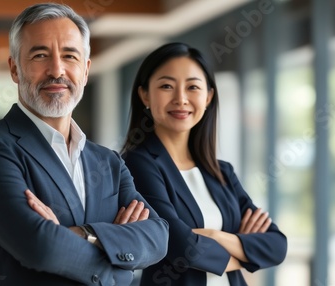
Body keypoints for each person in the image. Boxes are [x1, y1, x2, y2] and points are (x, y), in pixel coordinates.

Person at [0, 3, 169, 285]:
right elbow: (41, 248)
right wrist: (118, 263)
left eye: (69, 56)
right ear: (15, 69)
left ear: (85, 70)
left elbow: (158, 237)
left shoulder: (108, 162)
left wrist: (80, 233)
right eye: (40, 55)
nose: (56, 70)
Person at [121, 42, 287, 286]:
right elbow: (178, 246)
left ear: (208, 96)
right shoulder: (136, 164)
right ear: (144, 94)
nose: (181, 99)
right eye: (167, 86)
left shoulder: (221, 171)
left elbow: (276, 245)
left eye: (193, 87)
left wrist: (214, 236)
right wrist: (244, 249)